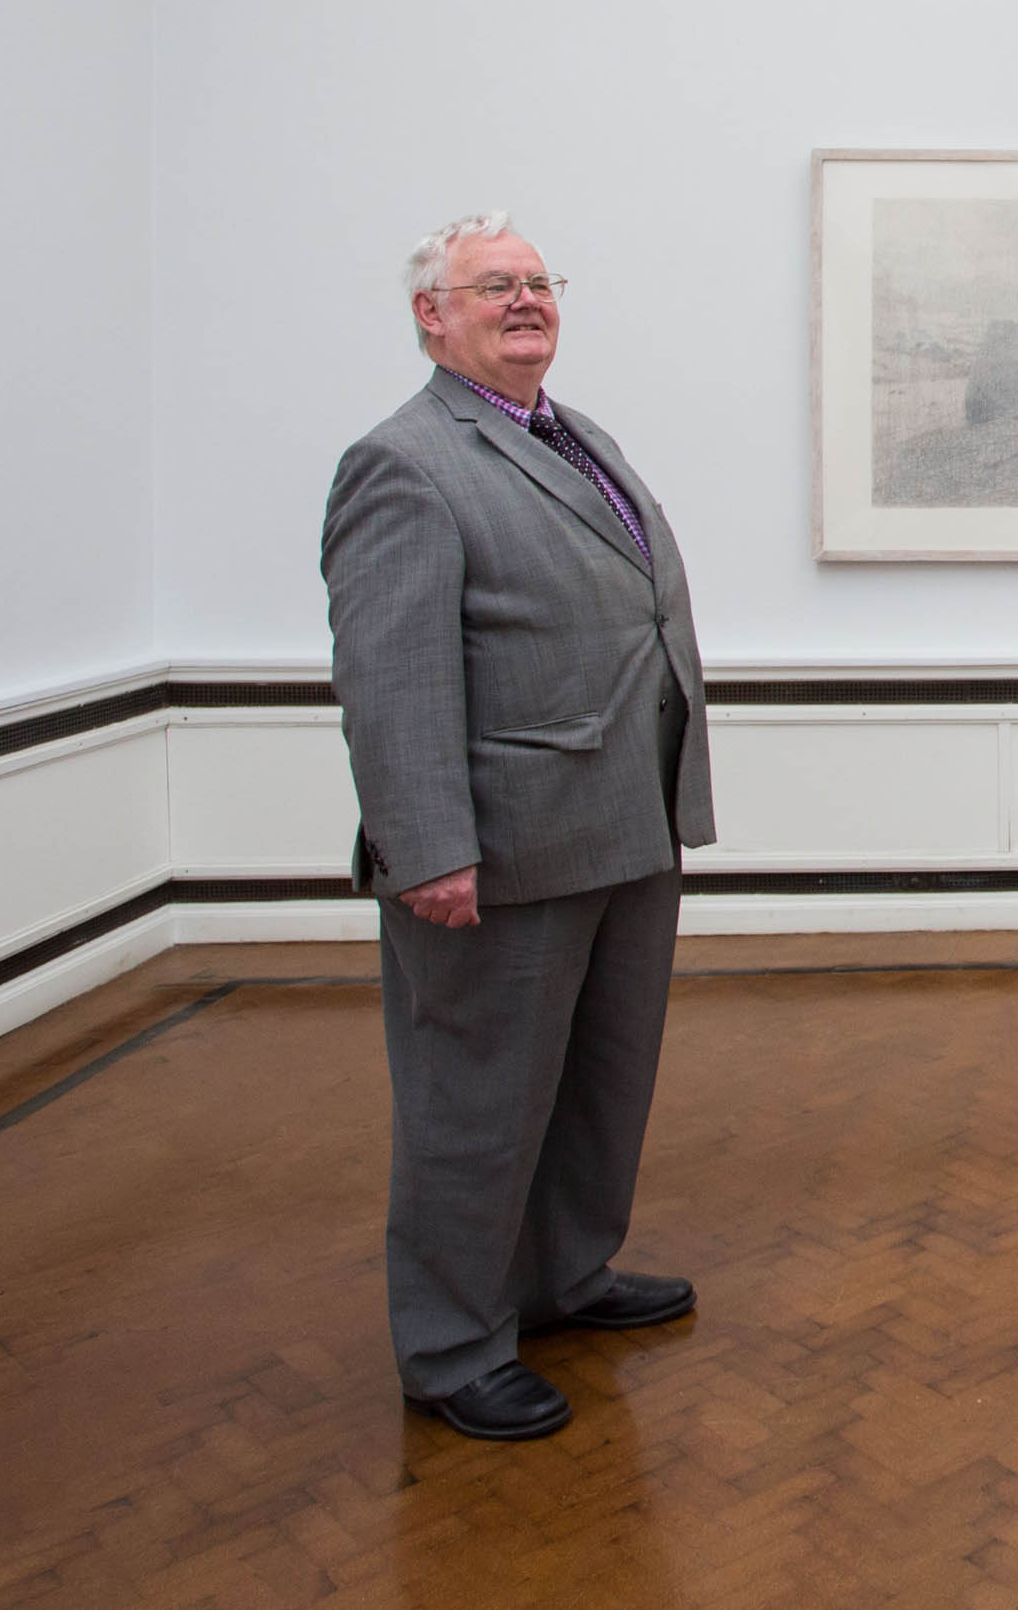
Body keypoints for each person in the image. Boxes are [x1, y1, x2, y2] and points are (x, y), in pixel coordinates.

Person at [322, 212, 714, 1442]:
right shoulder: (403, 461)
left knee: (600, 1084)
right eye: (493, 285)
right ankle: (449, 1346)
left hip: (622, 824)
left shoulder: (569, 433)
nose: (526, 299)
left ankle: (561, 1277)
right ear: (430, 316)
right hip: (500, 852)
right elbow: (390, 679)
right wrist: (425, 846)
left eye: (540, 281)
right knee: (474, 1105)